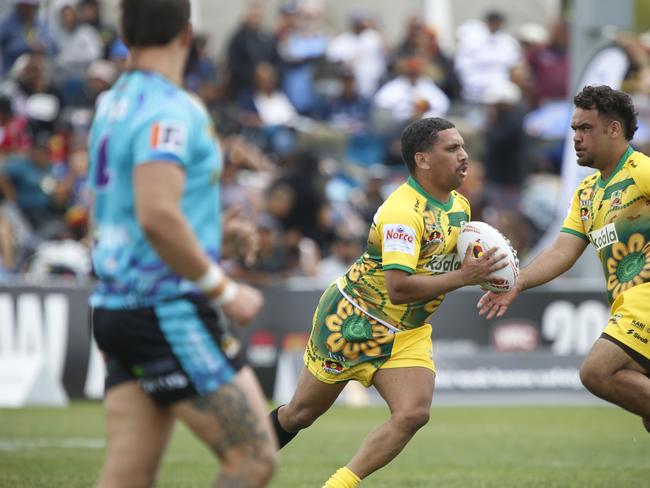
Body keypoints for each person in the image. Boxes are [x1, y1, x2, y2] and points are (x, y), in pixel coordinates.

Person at [87, 1, 277, 487]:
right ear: (188, 35)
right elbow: (156, 215)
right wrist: (224, 289)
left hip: (116, 307)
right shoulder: (171, 109)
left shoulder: (113, 103)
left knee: (127, 473)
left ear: (125, 32)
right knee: (253, 459)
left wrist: (213, 234)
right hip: (166, 310)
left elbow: (126, 211)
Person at [270, 117, 507, 487]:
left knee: (413, 412)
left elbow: (443, 262)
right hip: (354, 321)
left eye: (463, 147)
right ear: (423, 160)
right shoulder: (402, 212)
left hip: (406, 331)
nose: (464, 156)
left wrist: (490, 277)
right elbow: (398, 287)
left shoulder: (459, 205)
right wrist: (466, 276)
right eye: (452, 149)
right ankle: (244, 460)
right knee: (299, 415)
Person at [478, 85, 650, 432]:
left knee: (597, 371)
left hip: (644, 300)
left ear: (614, 129)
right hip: (624, 303)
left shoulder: (641, 171)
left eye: (585, 128)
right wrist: (518, 282)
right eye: (574, 129)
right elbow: (561, 251)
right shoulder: (587, 192)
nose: (575, 137)